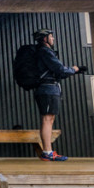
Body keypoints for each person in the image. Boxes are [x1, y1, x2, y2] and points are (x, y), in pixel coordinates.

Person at [32, 28, 84, 161]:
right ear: (45, 39)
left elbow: (58, 72)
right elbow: (60, 69)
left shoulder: (42, 52)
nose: (53, 39)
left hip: (49, 88)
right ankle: (47, 152)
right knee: (47, 119)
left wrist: (73, 71)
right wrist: (73, 69)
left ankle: (48, 151)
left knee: (49, 119)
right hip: (47, 89)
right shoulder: (45, 51)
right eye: (51, 36)